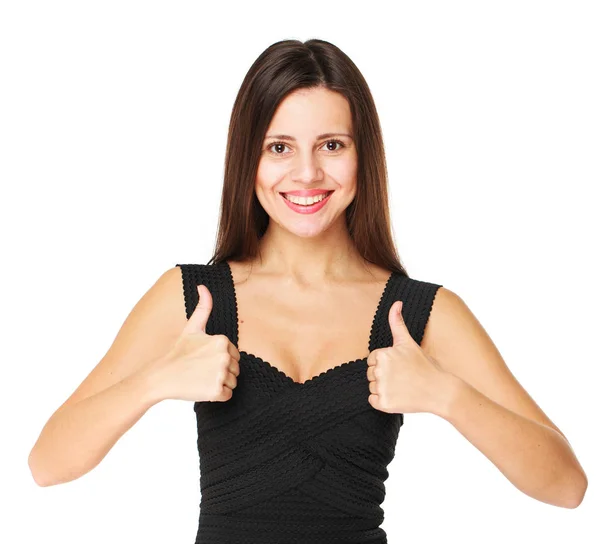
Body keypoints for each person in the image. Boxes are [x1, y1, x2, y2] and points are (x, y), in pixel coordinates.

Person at [28, 38, 587, 543]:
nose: (306, 174)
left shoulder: (419, 312)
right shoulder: (195, 299)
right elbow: (47, 464)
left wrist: (447, 396)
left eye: (331, 145)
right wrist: (154, 382)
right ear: (247, 158)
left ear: (362, 154)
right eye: (279, 148)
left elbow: (566, 487)